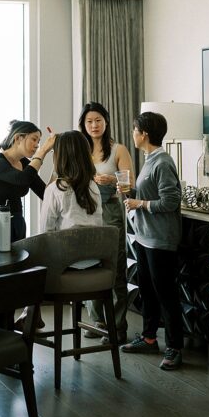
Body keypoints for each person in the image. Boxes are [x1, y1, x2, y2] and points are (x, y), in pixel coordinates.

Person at [122, 110, 184, 371]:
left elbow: (171, 201)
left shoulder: (162, 162)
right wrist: (131, 192)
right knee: (147, 289)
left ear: (144, 133)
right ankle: (148, 338)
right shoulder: (149, 159)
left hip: (160, 239)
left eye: (135, 130)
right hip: (144, 237)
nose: (133, 135)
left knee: (166, 293)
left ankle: (175, 347)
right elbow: (149, 193)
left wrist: (140, 202)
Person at [78, 101, 133, 344]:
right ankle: (97, 320)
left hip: (110, 210)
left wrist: (113, 181)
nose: (94, 125)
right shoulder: (79, 150)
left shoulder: (118, 149)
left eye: (98, 120)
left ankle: (118, 326)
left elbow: (129, 188)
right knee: (90, 265)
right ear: (83, 125)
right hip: (85, 212)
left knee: (115, 267)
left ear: (106, 121)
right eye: (89, 121)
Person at [0, 120, 56, 242]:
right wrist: (43, 151)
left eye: (39, 142)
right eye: (34, 139)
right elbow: (22, 179)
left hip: (18, 223)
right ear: (18, 138)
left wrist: (56, 166)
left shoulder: (24, 163)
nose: (37, 145)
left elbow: (45, 193)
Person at [40, 131, 103, 231]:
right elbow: (98, 225)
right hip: (93, 245)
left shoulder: (54, 190)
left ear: (59, 156)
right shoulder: (92, 186)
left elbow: (45, 232)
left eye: (54, 152)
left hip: (64, 246)